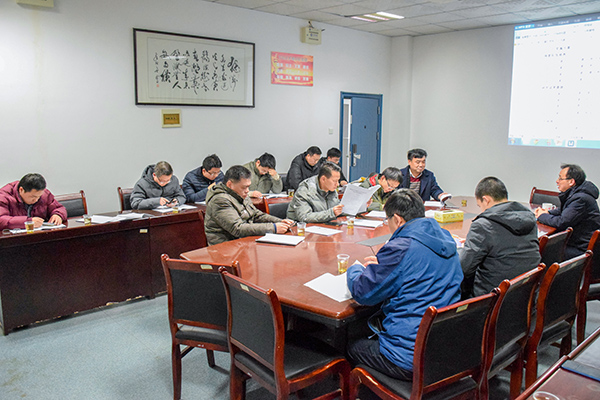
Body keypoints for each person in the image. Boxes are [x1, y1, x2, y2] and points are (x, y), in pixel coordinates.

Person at [346, 189, 463, 380]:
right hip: (443, 346)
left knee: (350, 345)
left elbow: (362, 292)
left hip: (408, 356)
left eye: (388, 220)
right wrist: (384, 267)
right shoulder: (444, 237)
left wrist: (356, 269)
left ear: (397, 219)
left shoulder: (401, 247)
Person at [460, 177, 541, 298]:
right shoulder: (528, 217)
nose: (481, 210)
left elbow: (464, 268)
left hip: (493, 297)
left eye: (479, 205)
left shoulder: (483, 225)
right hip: (527, 294)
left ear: (486, 200)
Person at [204, 165, 294, 246]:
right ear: (229, 184)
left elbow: (256, 215)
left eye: (248, 187)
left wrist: (280, 222)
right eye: (244, 187)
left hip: (243, 242)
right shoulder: (220, 200)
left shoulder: (240, 194)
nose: (247, 191)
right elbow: (237, 228)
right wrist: (273, 227)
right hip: (225, 248)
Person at [535, 164, 600, 260]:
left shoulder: (580, 199)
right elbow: (565, 210)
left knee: (538, 252)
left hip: (580, 249)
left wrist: (542, 215)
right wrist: (548, 213)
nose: (557, 181)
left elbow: (562, 222)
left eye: (560, 178)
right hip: (576, 243)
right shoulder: (578, 194)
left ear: (571, 182)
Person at [0, 173, 68, 230]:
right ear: (21, 190)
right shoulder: (4, 196)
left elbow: (59, 208)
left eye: (39, 196)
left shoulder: (44, 194)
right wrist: (28, 222)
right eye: (33, 197)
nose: (36, 200)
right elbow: (1, 220)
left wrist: (58, 215)